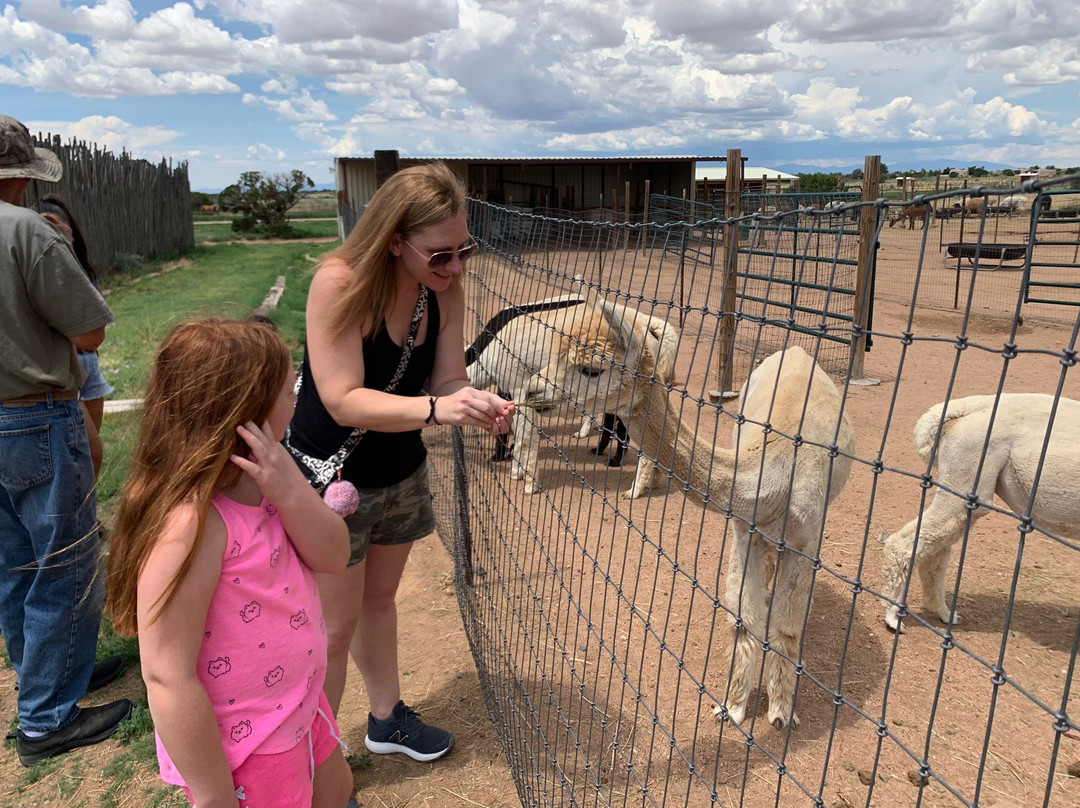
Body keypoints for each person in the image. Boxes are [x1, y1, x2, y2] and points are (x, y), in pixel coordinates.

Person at [285, 161, 514, 762]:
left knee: (379, 601)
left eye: (464, 250)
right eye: (440, 254)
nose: (455, 266)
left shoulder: (443, 290)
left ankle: (385, 720)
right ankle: (315, 765)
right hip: (335, 479)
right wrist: (439, 409)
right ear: (393, 241)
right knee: (333, 629)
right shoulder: (339, 284)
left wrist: (473, 401)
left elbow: (448, 378)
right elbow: (342, 398)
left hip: (400, 469)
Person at [105, 319, 355, 808]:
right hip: (251, 744)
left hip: (301, 704)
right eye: (288, 390)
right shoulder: (191, 525)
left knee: (337, 788)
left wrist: (291, 492)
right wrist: (213, 793)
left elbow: (334, 556)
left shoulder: (270, 479)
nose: (297, 397)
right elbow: (167, 675)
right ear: (245, 413)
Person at [0, 114, 131, 766]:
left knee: (14, 565)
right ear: (21, 175)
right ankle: (47, 719)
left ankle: (47, 680)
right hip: (32, 416)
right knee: (63, 563)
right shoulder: (27, 230)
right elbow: (88, 333)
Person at [33, 194, 115, 478]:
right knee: (89, 451)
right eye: (44, 226)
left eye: (56, 225)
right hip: (65, 367)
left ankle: (88, 504)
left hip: (89, 364)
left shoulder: (80, 270)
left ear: (71, 230)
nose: (51, 233)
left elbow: (97, 317)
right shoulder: (38, 269)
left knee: (89, 457)